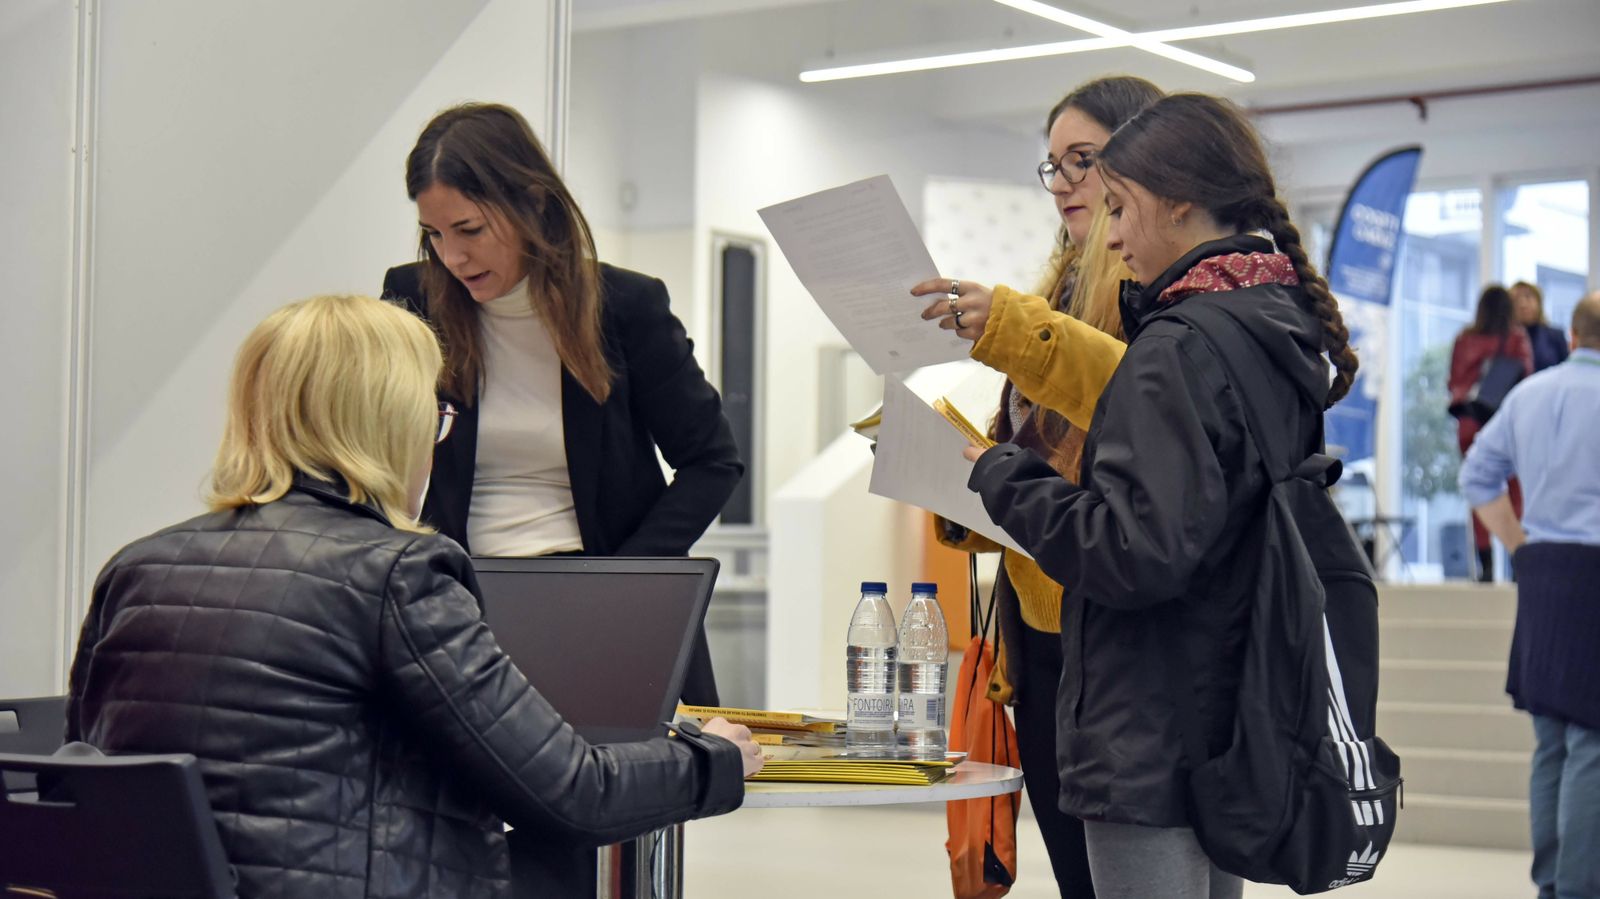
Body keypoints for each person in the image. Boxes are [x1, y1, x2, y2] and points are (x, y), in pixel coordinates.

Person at [65, 294, 763, 899]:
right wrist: (713, 758)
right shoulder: (396, 573)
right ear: (391, 423)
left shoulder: (136, 567)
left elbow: (87, 766)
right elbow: (574, 792)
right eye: (433, 417)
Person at [942, 93, 1359, 898]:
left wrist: (1004, 476)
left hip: (1149, 715)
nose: (1112, 233)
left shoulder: (1176, 345)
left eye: (1120, 204)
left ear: (1178, 201)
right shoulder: (1269, 323)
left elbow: (1134, 549)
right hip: (1226, 704)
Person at [382, 102, 741, 706]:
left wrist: (622, 580)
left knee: (618, 761)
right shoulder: (411, 299)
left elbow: (713, 461)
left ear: (531, 203)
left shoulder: (624, 306)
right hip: (461, 599)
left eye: (470, 230)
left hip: (602, 601)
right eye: (434, 235)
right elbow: (368, 446)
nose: (452, 257)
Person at [914, 74, 1163, 899]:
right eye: (1053, 165)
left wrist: (1012, 327)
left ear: (1145, 156)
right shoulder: (1057, 288)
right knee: (1076, 873)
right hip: (1042, 624)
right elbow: (1036, 453)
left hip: (1118, 632)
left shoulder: (1154, 290)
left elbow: (1141, 411)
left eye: (1081, 160)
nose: (1061, 184)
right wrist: (965, 484)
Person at [1459, 291, 1600, 899]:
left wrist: (1519, 545)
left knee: (1551, 741)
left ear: (1572, 335)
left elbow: (1476, 475)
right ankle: (1579, 888)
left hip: (1542, 570)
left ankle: (1551, 883)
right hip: (1595, 573)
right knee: (1592, 741)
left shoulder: (1529, 393)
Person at [1450, 284, 1534, 581]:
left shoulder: (1464, 338)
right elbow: (1526, 381)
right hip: (1507, 424)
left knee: (1479, 491)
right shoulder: (1516, 338)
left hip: (1470, 423)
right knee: (1516, 492)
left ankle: (1485, 566)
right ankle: (1517, 560)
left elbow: (1453, 382)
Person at [1512, 280, 1570, 373]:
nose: (1523, 304)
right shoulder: (1505, 339)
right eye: (1516, 300)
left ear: (1539, 302)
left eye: (1528, 297)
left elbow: (1566, 370)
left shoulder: (1555, 336)